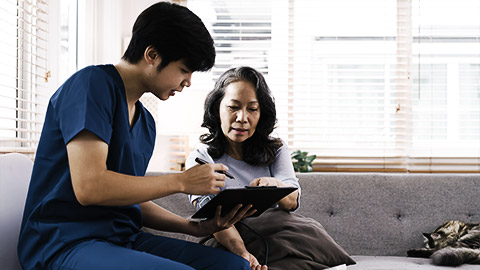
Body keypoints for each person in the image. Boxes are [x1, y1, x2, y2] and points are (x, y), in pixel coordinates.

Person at [17, 2, 254, 270]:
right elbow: (90, 187)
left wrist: (195, 227)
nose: (187, 82)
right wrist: (181, 181)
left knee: (234, 266)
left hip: (121, 239)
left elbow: (130, 199)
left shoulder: (146, 123)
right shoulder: (91, 86)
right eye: (184, 70)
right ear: (152, 54)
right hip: (63, 242)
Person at [186, 67, 356, 270]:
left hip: (278, 234)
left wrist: (274, 186)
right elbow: (213, 218)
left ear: (261, 114)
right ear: (217, 109)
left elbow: (291, 203)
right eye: (233, 107)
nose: (242, 118)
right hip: (228, 238)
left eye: (252, 109)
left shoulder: (276, 148)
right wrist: (242, 253)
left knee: (306, 234)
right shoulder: (201, 156)